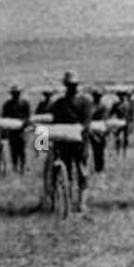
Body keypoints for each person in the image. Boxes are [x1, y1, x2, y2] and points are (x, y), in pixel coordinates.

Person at [49, 71, 94, 213]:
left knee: (82, 170)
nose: (72, 88)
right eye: (69, 85)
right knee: (65, 170)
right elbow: (55, 122)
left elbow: (87, 122)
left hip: (80, 142)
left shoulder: (85, 102)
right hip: (64, 142)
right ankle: (64, 199)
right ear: (66, 86)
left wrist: (80, 129)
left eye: (73, 85)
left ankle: (82, 203)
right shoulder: (59, 103)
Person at [0, 84, 31, 175]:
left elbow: (28, 116)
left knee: (21, 149)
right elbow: (4, 116)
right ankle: (15, 166)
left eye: (17, 93)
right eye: (14, 93)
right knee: (13, 149)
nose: (15, 95)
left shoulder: (24, 103)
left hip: (22, 129)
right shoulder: (7, 104)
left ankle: (22, 167)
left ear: (19, 93)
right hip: (12, 129)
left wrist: (24, 124)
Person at [88, 86, 109, 173]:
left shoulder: (103, 106)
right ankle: (98, 167)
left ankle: (100, 166)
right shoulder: (91, 106)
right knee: (96, 149)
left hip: (101, 128)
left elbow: (105, 118)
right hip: (94, 128)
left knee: (100, 149)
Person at [109, 88, 134, 156]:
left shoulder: (130, 103)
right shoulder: (116, 104)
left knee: (125, 138)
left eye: (123, 95)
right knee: (117, 138)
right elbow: (111, 113)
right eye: (120, 95)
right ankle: (118, 152)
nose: (122, 96)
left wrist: (131, 123)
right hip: (119, 122)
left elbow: (132, 114)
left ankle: (124, 153)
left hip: (126, 122)